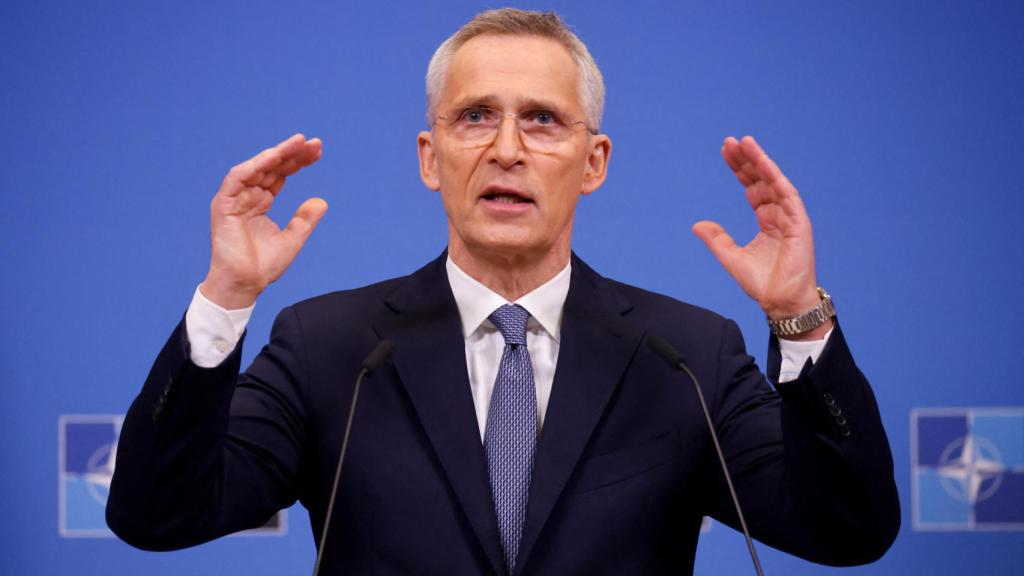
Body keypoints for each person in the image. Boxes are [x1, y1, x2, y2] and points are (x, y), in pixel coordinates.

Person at [107, 8, 899, 575]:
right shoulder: (330, 346)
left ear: (594, 163)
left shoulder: (687, 355)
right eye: (476, 116)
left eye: (545, 120)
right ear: (430, 156)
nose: (508, 149)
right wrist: (226, 297)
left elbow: (847, 532)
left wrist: (798, 317)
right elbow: (157, 516)